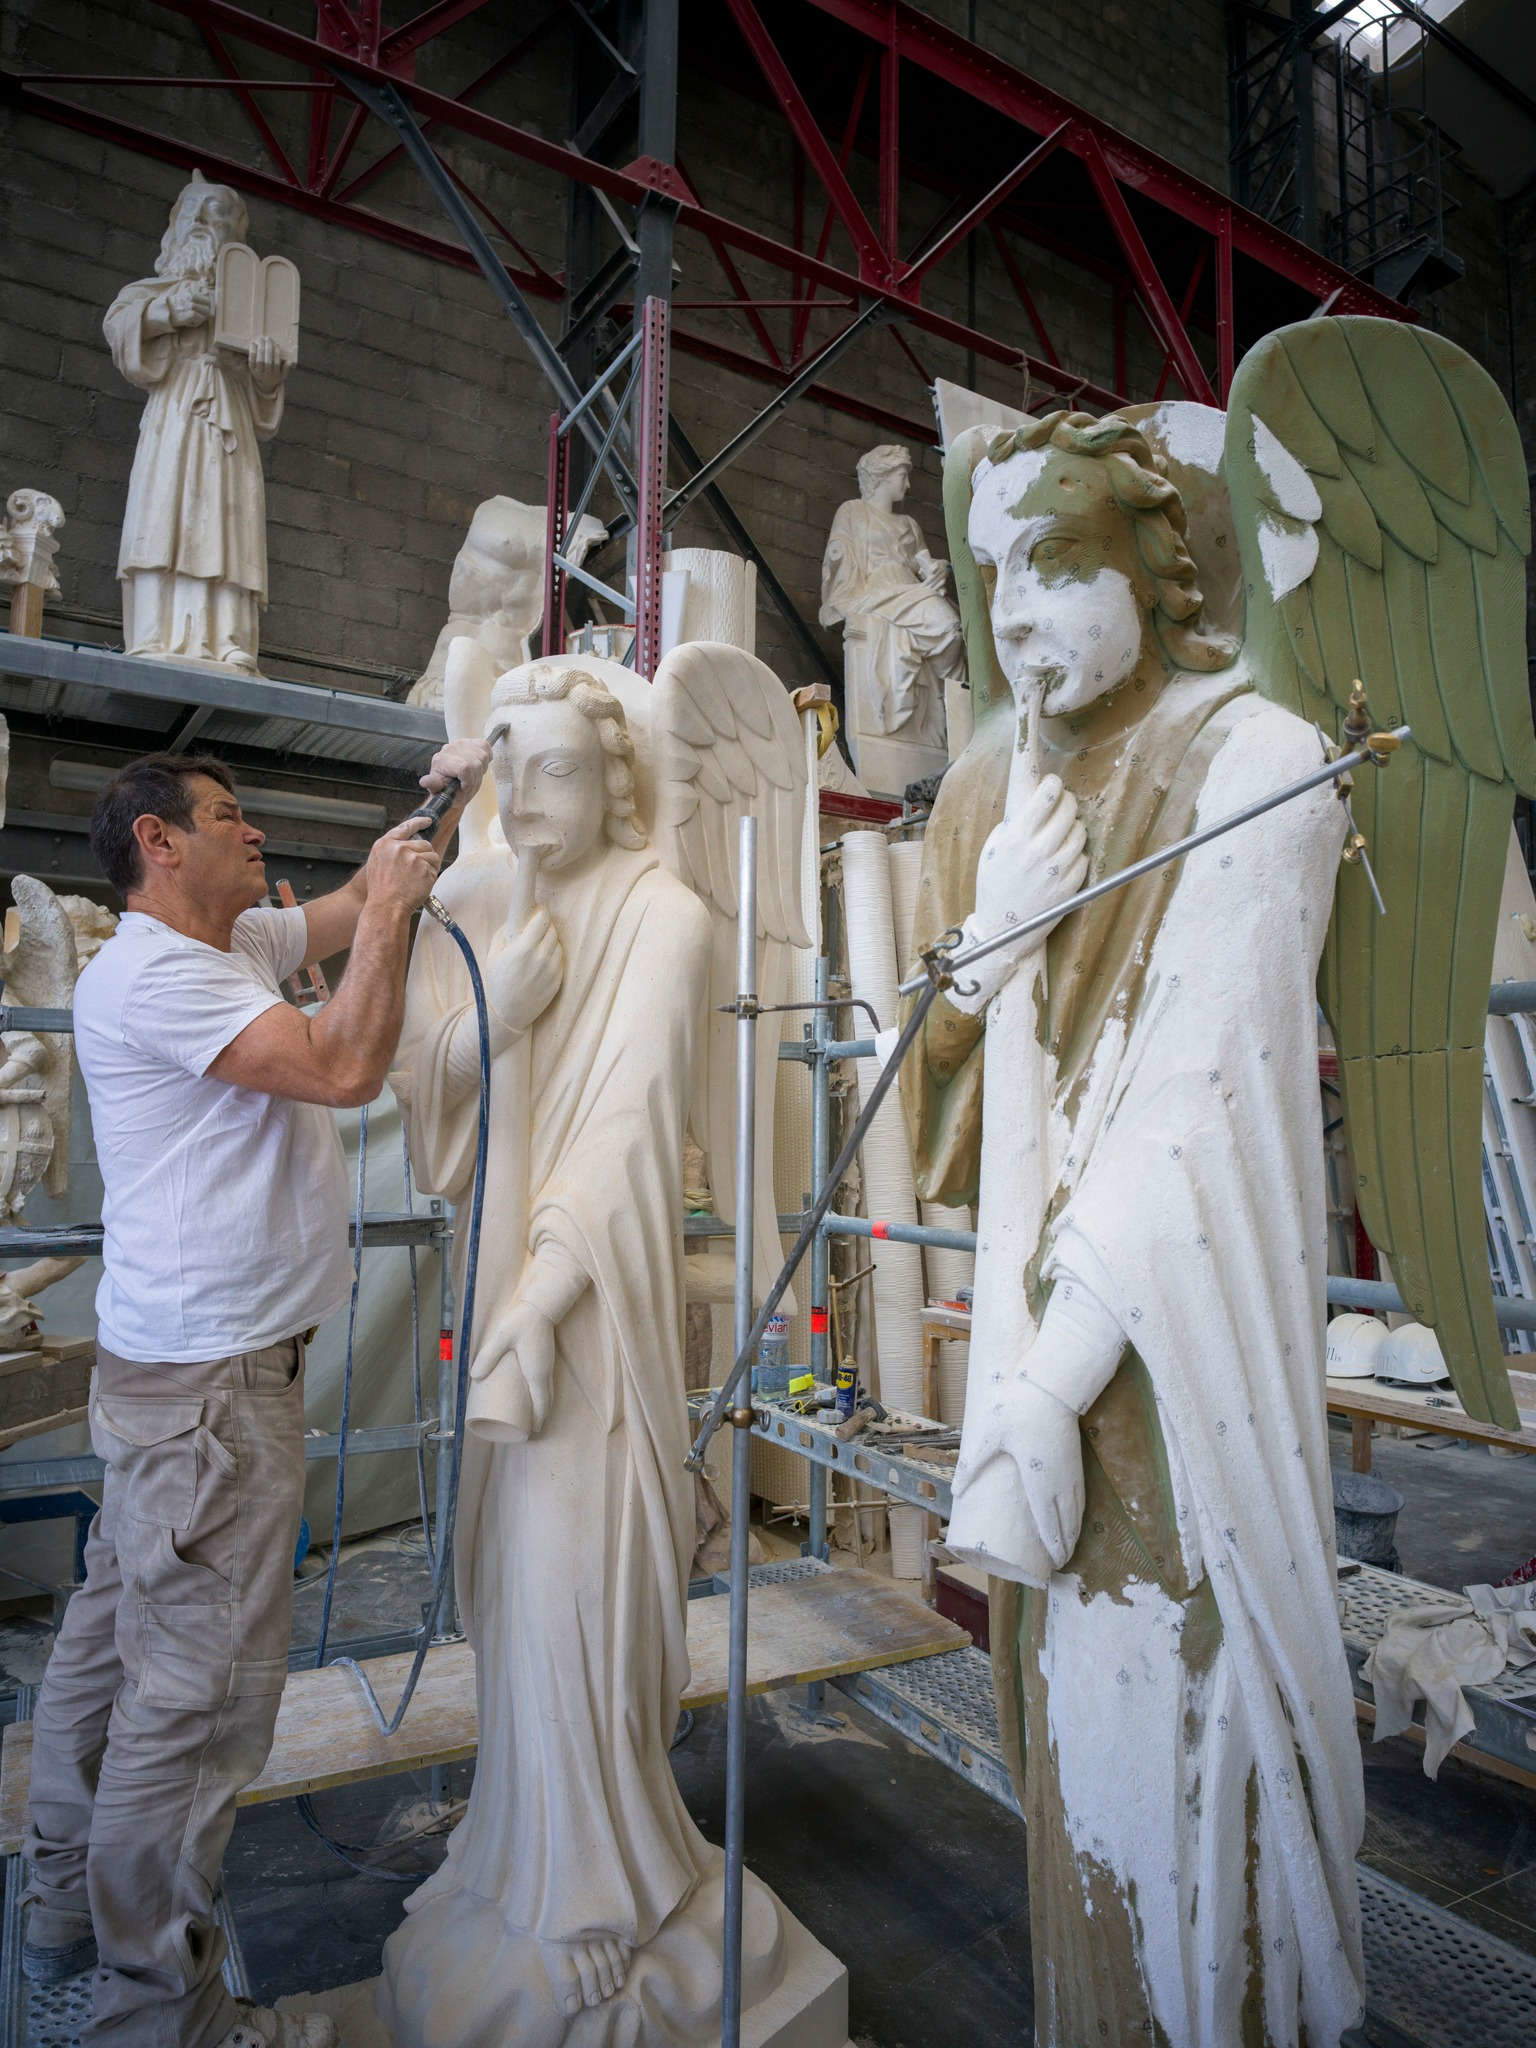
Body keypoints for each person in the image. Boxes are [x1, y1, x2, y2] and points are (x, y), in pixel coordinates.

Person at [21, 736, 490, 2048]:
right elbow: (345, 1068)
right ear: (157, 844)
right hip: (213, 1402)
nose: (256, 837)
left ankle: (64, 1900)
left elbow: (339, 909)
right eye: (228, 819)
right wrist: (396, 915)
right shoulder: (154, 978)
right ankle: (162, 2017)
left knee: (114, 1649)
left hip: (178, 1388)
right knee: (198, 1707)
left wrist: (444, 797)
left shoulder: (234, 946)